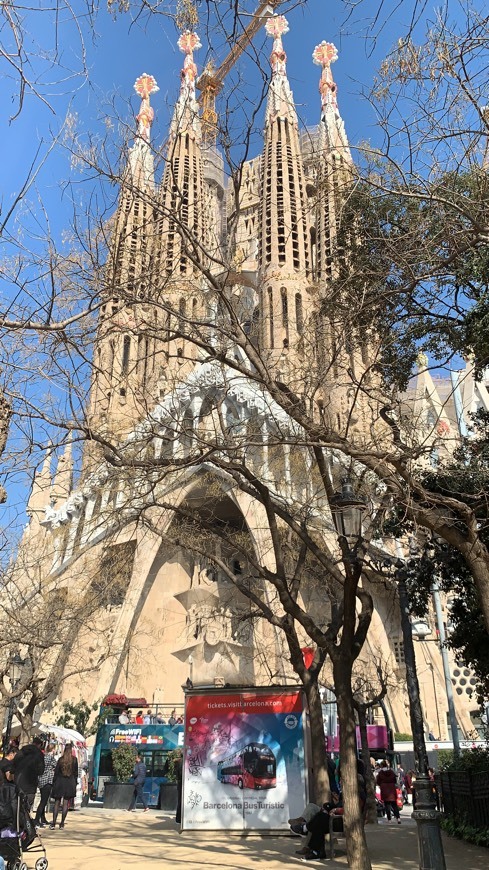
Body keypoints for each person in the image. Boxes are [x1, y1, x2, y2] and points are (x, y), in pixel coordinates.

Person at [50, 743, 78, 829]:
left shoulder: (60, 759)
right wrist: (75, 783)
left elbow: (56, 772)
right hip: (69, 782)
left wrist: (54, 782)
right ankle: (62, 823)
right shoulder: (74, 760)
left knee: (57, 803)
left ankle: (53, 823)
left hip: (60, 782)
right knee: (66, 803)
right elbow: (76, 773)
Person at [13, 736, 45, 810]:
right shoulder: (39, 754)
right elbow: (41, 771)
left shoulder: (21, 751)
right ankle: (25, 820)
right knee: (27, 807)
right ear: (39, 745)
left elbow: (14, 764)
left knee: (17, 806)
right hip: (31, 783)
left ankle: (17, 820)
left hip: (18, 780)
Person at [34, 743, 57, 828]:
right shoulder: (50, 757)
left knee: (43, 800)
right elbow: (56, 765)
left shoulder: (42, 756)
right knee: (43, 801)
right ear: (53, 749)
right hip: (47, 780)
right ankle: (37, 819)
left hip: (41, 780)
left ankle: (42, 818)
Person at [174, 750, 183, 824]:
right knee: (181, 801)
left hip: (179, 783)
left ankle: (178, 819)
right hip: (182, 784)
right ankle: (179, 819)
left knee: (180, 800)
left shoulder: (178, 762)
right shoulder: (182, 763)